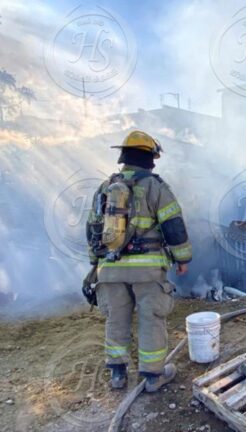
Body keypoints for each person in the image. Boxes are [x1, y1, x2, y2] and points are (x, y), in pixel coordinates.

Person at [86, 130, 192, 391]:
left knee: (116, 319)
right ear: (150, 159)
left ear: (124, 156)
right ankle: (154, 377)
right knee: (151, 317)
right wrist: (182, 258)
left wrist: (94, 264)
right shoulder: (155, 187)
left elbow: (92, 229)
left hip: (109, 269)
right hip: (146, 270)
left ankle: (118, 375)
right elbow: (173, 225)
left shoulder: (105, 188)